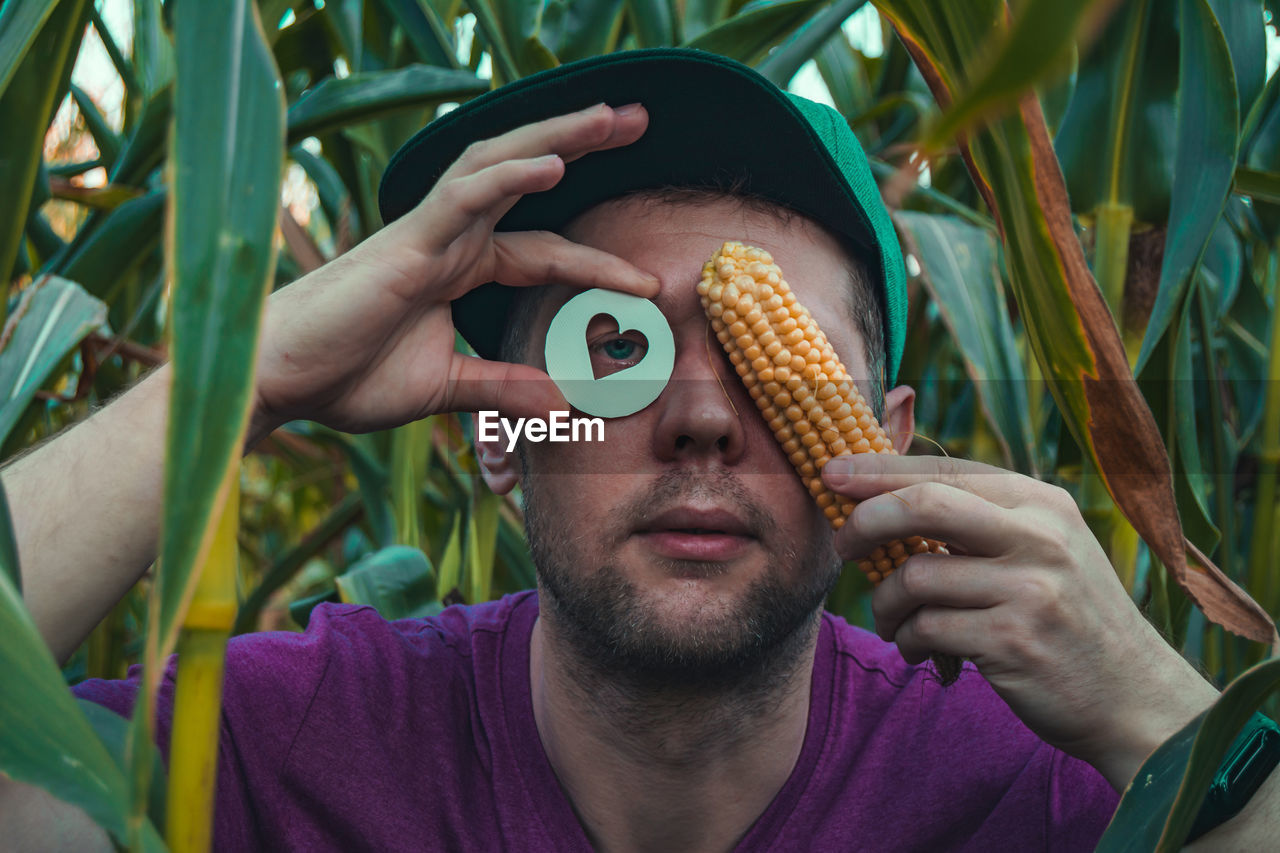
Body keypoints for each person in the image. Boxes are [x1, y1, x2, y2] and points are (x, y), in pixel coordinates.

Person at [1, 49, 1276, 851]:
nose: (702, 417)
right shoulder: (293, 748)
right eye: (612, 349)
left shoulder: (1034, 787)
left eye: (781, 365)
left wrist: (1169, 722)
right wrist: (246, 383)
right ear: (500, 438)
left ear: (891, 452)